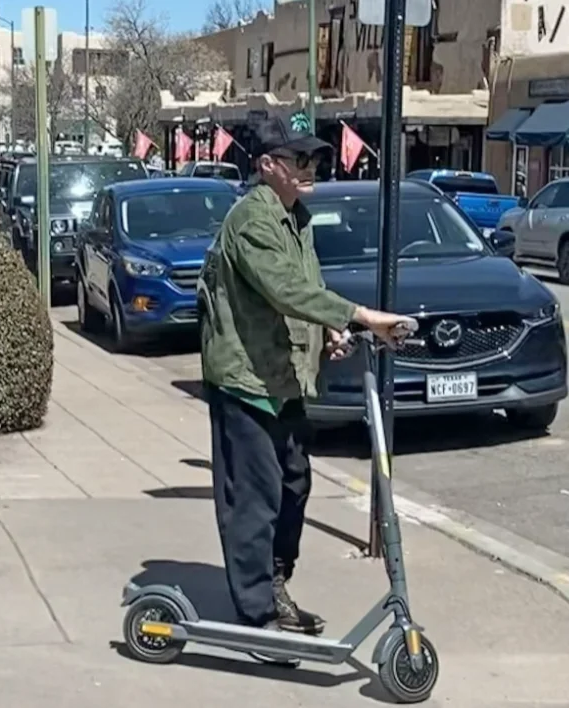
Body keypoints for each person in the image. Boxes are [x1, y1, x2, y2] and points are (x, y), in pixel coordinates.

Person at [196, 117, 411, 635]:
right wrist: (360, 317)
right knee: (257, 495)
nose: (311, 167)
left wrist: (329, 335)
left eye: (313, 159)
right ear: (268, 165)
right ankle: (258, 614)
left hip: (284, 377)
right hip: (246, 381)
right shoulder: (252, 220)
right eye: (299, 160)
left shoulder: (297, 219)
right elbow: (284, 290)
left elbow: (304, 289)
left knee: (295, 483)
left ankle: (274, 583)